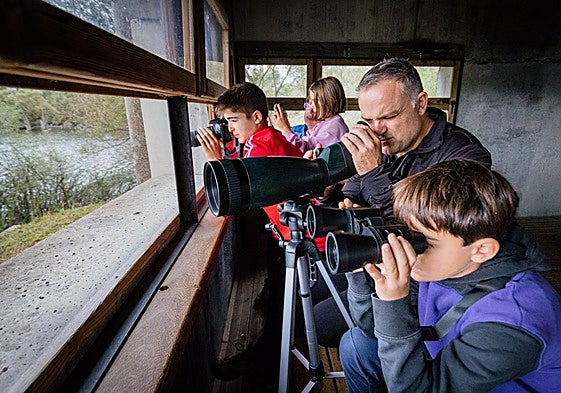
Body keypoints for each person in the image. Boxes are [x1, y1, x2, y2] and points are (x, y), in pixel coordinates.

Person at [312, 58, 492, 348]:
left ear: (420, 103)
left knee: (319, 324)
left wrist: (374, 172)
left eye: (388, 116)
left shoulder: (465, 157)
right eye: (369, 120)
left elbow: (424, 232)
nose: (377, 130)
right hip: (374, 253)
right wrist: (327, 187)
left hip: (420, 279)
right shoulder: (384, 144)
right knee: (307, 286)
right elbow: (351, 196)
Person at [339, 159, 561, 392]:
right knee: (357, 345)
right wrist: (359, 265)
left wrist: (394, 301)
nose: (409, 247)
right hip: (444, 353)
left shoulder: (513, 321)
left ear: (482, 250)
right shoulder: (445, 263)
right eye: (404, 230)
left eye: (424, 241)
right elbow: (371, 327)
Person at [198, 82, 303, 389]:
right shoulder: (263, 138)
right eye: (226, 123)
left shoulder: (262, 144)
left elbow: (238, 196)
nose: (230, 129)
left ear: (256, 117)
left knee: (283, 308)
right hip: (285, 230)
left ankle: (266, 363)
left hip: (297, 235)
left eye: (233, 121)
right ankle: (268, 352)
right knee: (279, 294)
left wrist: (216, 160)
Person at [272, 76, 348, 152]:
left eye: (314, 101)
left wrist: (285, 129)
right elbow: (306, 140)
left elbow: (305, 149)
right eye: (311, 102)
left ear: (330, 101)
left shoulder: (334, 128)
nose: (311, 106)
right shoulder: (324, 123)